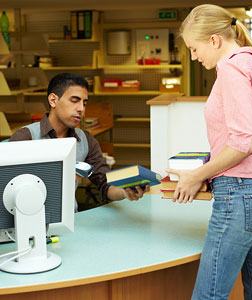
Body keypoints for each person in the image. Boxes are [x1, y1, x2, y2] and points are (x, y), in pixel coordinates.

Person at [167, 4, 252, 300]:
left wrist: (198, 174)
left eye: (194, 49)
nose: (195, 57)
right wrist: (215, 162)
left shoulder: (231, 68)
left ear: (214, 41)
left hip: (240, 195)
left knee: (208, 295)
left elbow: (245, 143)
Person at [10, 73, 149, 208]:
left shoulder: (86, 140)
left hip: (70, 222)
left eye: (84, 103)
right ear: (53, 100)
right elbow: (8, 187)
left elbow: (105, 185)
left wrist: (124, 192)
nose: (81, 109)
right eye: (74, 101)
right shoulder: (25, 137)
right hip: (29, 220)